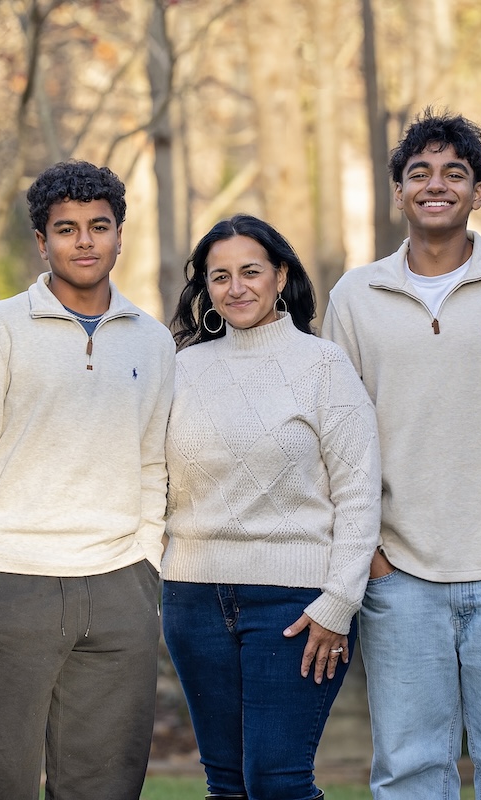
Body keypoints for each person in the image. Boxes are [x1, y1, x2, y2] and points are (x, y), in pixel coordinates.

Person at [322, 110, 481, 800]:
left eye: (455, 173)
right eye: (419, 172)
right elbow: (334, 436)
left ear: (477, 192)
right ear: (398, 190)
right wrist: (368, 553)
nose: (436, 184)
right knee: (408, 771)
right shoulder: (355, 296)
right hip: (398, 574)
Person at [0, 160, 175, 800]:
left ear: (120, 235)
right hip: (8, 581)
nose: (85, 242)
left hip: (119, 585)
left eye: (100, 226)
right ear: (42, 243)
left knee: (105, 785)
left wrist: (146, 563)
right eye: (67, 229)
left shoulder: (153, 342)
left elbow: (153, 463)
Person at [163, 214, 381, 800]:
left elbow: (359, 492)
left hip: (296, 604)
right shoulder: (180, 369)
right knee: (227, 785)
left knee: (277, 781)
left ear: (281, 276)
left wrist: (339, 602)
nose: (236, 288)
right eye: (220, 277)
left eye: (251, 272)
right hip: (193, 600)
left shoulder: (324, 365)